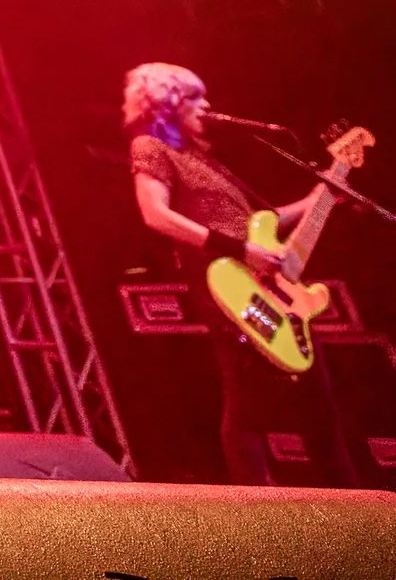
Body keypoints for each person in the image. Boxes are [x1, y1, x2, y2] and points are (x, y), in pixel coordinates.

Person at [124, 62, 355, 486]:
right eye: (195, 97)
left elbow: (258, 223)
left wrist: (321, 195)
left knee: (317, 401)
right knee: (247, 400)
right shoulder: (149, 146)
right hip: (226, 283)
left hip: (266, 284)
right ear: (166, 103)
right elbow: (155, 214)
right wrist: (239, 250)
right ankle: (256, 504)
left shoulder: (207, 160)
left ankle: (354, 505)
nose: (206, 104)